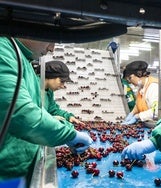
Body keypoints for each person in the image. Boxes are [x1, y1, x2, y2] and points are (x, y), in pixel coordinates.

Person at [0, 37, 92, 186]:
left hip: (20, 166)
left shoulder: (24, 62)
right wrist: (69, 134)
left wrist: (66, 123)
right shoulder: (4, 51)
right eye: (50, 39)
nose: (52, 48)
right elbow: (22, 114)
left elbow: (38, 109)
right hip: (4, 171)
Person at [122, 60, 161, 125]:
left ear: (139, 74)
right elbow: (139, 104)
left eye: (130, 78)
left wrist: (137, 116)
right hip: (150, 124)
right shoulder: (142, 87)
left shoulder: (153, 87)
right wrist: (132, 113)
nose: (129, 82)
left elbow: (156, 112)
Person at [40, 60, 85, 125]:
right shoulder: (33, 87)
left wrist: (68, 117)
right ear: (52, 76)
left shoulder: (48, 92)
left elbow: (53, 110)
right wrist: (50, 118)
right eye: (62, 81)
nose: (62, 86)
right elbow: (30, 114)